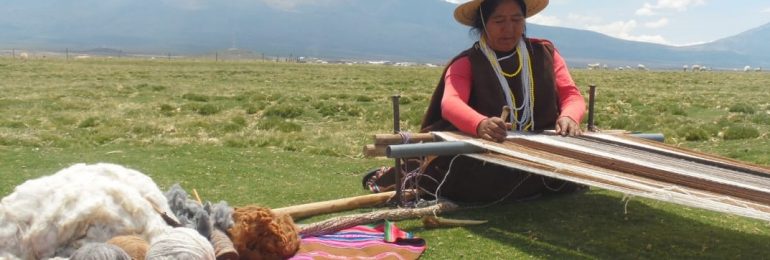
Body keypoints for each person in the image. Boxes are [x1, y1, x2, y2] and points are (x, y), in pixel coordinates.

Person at [365, 0, 586, 203]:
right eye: (499, 21)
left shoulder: (544, 53)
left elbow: (571, 94)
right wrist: (480, 124)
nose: (509, 29)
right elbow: (451, 103)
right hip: (489, 148)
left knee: (572, 168)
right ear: (482, 23)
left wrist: (569, 116)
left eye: (516, 20)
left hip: (541, 146)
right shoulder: (467, 62)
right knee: (476, 177)